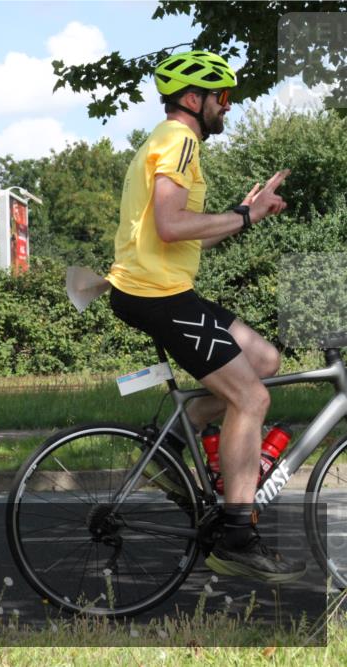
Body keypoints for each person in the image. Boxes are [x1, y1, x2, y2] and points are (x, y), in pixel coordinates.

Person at [106, 50, 304, 582]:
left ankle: (169, 448)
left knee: (263, 360)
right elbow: (171, 225)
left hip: (164, 288)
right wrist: (242, 214)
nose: (228, 107)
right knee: (251, 398)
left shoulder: (170, 139)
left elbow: (180, 234)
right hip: (157, 294)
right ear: (194, 99)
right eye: (224, 97)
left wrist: (245, 216)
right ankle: (238, 537)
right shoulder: (180, 140)